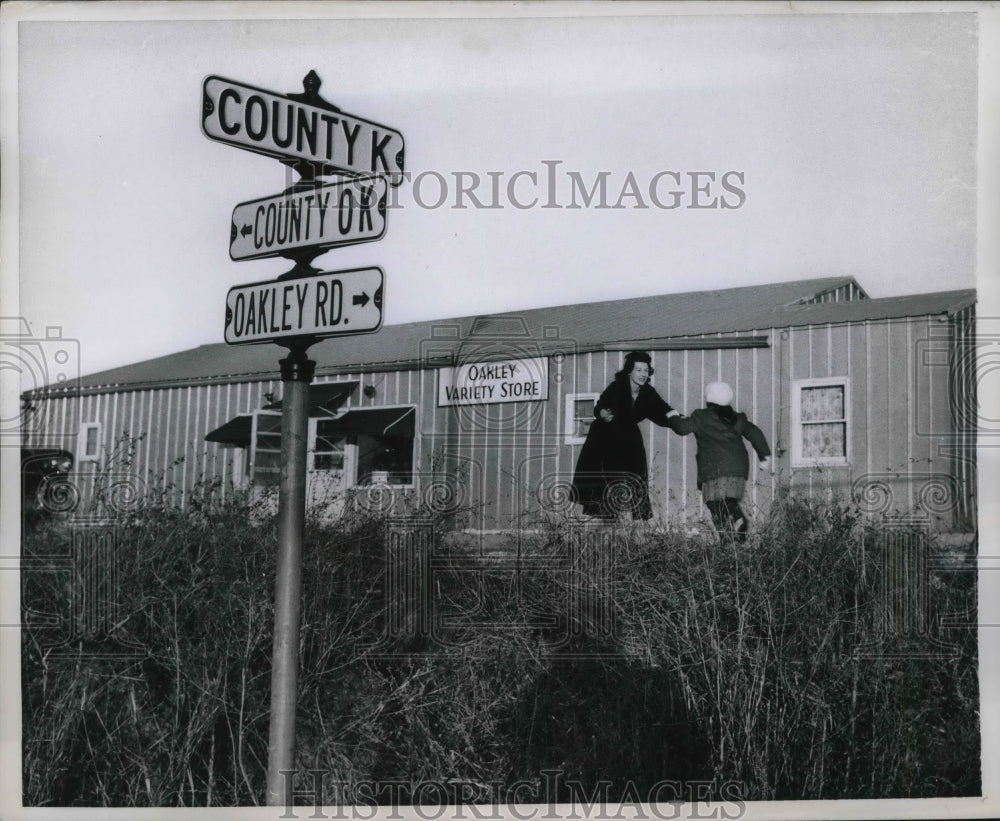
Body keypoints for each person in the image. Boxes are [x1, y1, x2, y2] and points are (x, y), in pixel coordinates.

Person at [572, 351, 681, 521]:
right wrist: (602, 413)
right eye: (638, 370)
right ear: (629, 371)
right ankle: (611, 530)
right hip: (605, 440)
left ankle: (626, 532)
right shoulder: (617, 387)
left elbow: (663, 410)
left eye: (645, 370)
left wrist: (679, 420)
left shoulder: (647, 392)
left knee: (631, 483)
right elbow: (599, 406)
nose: (643, 374)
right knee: (609, 487)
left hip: (629, 440)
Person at [671, 381, 771, 541]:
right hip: (737, 469)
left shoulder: (701, 417)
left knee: (715, 506)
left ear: (708, 400)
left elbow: (682, 428)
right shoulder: (735, 418)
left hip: (714, 470)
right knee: (728, 501)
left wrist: (673, 417)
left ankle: (727, 540)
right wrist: (764, 456)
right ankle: (737, 524)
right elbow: (755, 432)